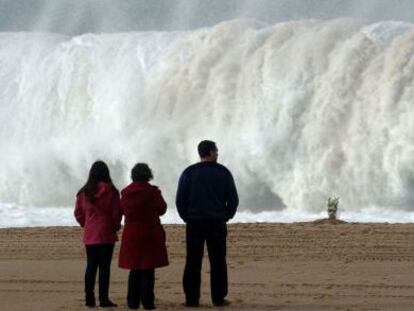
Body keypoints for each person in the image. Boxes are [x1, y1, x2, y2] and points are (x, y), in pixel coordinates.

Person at [176, 140, 239, 307]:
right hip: (216, 221)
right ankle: (218, 298)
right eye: (216, 151)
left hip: (195, 222)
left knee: (193, 260)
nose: (217, 154)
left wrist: (186, 217)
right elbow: (233, 199)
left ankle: (191, 299)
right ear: (210, 152)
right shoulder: (223, 173)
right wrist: (226, 216)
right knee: (218, 260)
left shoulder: (189, 173)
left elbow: (180, 200)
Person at [119, 163, 169, 310]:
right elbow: (162, 209)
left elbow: (121, 210)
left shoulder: (126, 193)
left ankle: (132, 301)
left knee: (134, 268)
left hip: (132, 233)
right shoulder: (153, 192)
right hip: (150, 232)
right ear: (148, 175)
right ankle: (147, 301)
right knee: (148, 268)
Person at [74, 160, 122, 308]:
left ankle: (89, 299)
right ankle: (104, 299)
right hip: (106, 233)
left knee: (91, 266)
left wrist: (86, 224)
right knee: (104, 268)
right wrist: (115, 226)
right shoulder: (112, 191)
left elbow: (78, 213)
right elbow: (116, 213)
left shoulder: (84, 192)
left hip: (90, 234)